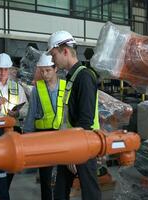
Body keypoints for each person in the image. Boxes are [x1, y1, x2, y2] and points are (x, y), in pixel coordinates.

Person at [47, 31, 101, 200]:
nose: (52, 60)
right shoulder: (72, 77)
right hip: (71, 142)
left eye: (54, 54)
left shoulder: (84, 77)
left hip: (83, 144)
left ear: (65, 51)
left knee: (89, 191)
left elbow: (86, 119)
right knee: (60, 190)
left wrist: (76, 151)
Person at [23, 53, 66, 200]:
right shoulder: (37, 89)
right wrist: (27, 136)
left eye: (48, 70)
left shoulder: (66, 87)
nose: (45, 74)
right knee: (45, 176)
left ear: (56, 69)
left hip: (62, 134)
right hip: (43, 137)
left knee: (63, 175)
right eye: (42, 71)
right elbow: (31, 113)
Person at [0, 52, 27, 200]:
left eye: (5, 69)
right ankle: (3, 197)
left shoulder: (18, 88)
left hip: (13, 130)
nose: (2, 72)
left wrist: (18, 113)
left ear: (10, 70)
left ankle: (3, 193)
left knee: (11, 166)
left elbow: (25, 108)